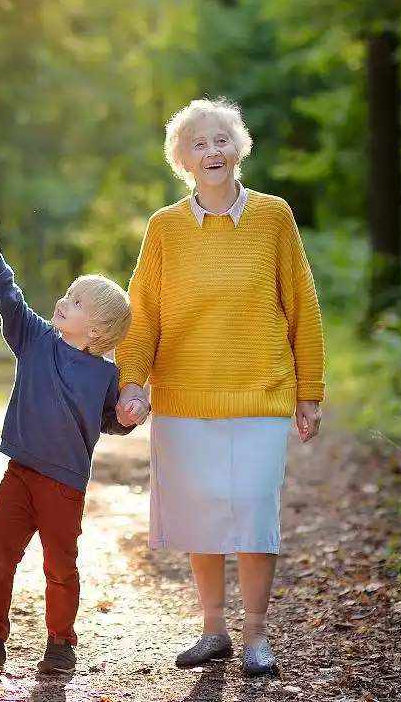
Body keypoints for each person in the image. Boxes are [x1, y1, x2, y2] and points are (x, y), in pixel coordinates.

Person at [113, 98, 325, 676]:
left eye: (221, 140)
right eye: (199, 144)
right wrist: (132, 381)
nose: (212, 151)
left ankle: (256, 635)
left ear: (239, 148)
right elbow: (144, 313)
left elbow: (302, 306)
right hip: (183, 396)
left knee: (255, 513)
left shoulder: (274, 217)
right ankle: (214, 630)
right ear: (182, 161)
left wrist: (310, 390)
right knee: (201, 515)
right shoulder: (164, 228)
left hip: (261, 392)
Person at [0, 192, 139, 675]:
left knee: (60, 569)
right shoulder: (35, 339)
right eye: (67, 294)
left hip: (64, 486)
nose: (64, 301)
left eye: (77, 302)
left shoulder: (105, 374)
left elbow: (107, 419)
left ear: (99, 330)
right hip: (19, 473)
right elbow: (9, 298)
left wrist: (125, 417)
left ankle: (60, 643)